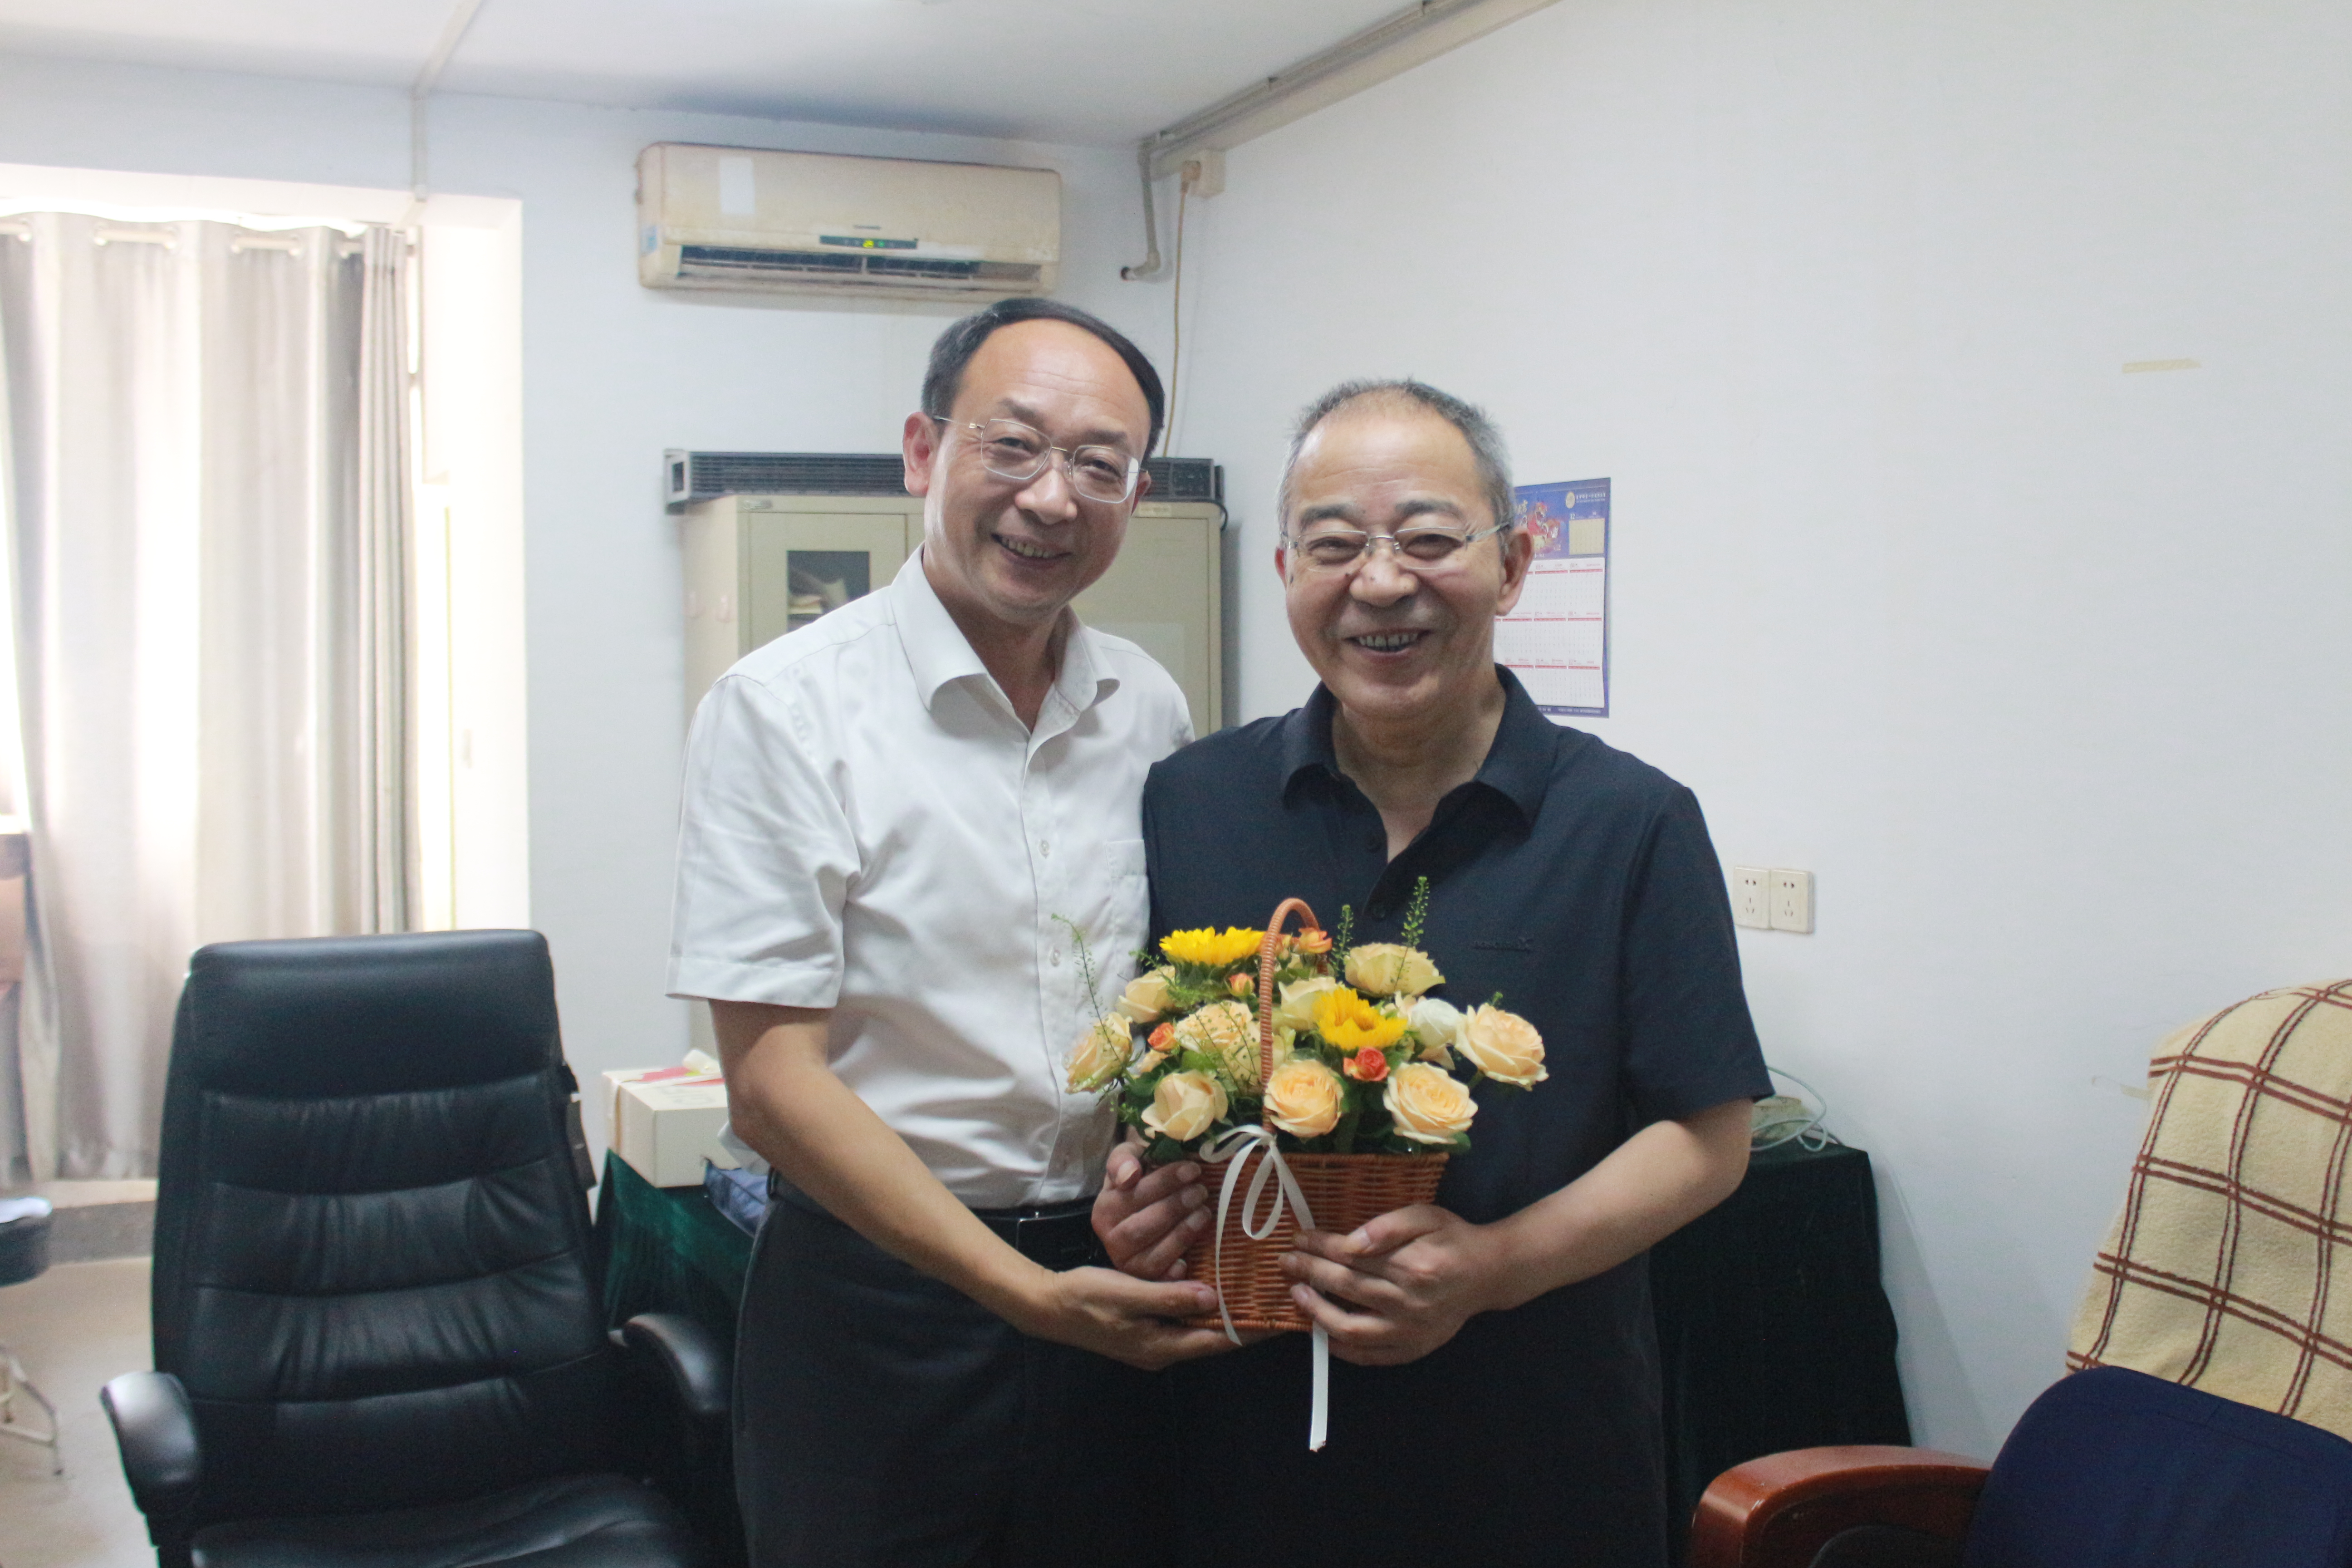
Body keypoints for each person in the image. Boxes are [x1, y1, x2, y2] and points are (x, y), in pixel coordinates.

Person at [1093, 379, 1771, 1567]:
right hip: (1242, 1443)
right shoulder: (1193, 801)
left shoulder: (1629, 821)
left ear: (1512, 565)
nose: (1380, 582)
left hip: (1531, 1445)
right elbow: (1152, 1073)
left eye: (1426, 538)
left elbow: (1708, 1138)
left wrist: (1495, 1268)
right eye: (1333, 545)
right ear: (1287, 573)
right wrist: (1136, 1190)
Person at [668, 298, 1230, 1568]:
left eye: (1099, 465)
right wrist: (1026, 1297)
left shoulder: (1146, 705)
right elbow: (771, 1085)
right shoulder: (785, 709)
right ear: (923, 453)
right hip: (879, 1302)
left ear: (1136, 497)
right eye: (1012, 445)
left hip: (1111, 1276)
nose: (1051, 498)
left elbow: (1165, 1000)